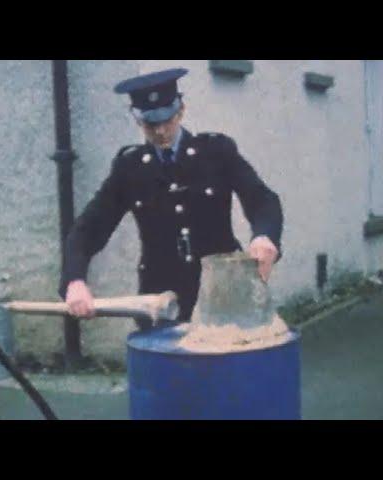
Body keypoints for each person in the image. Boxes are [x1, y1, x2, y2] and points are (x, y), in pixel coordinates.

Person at [59, 68, 283, 329]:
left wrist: (264, 236)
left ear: (181, 111)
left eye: (168, 119)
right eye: (152, 124)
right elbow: (88, 229)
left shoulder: (216, 152)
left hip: (224, 296)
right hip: (161, 305)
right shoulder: (130, 168)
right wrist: (74, 281)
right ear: (138, 121)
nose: (162, 131)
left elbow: (262, 200)